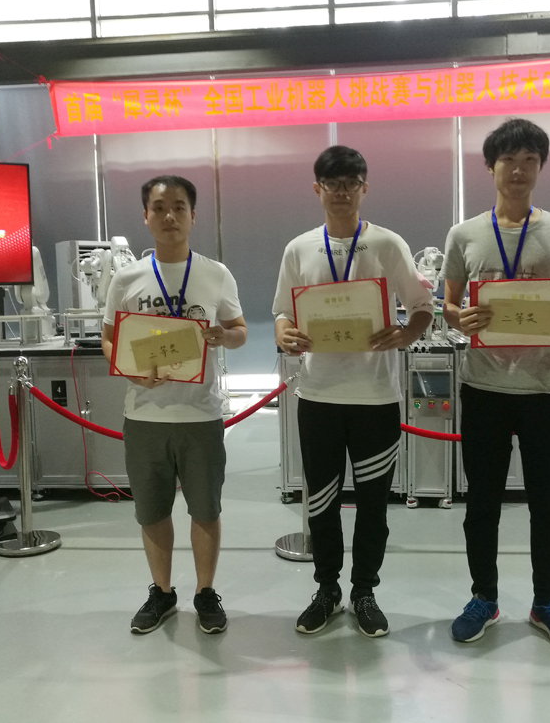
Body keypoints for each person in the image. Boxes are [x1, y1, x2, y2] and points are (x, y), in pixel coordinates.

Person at [440, 118, 550, 651]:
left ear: (540, 166)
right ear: (490, 166)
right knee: (481, 502)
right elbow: (449, 303)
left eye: (530, 159)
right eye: (509, 159)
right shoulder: (464, 235)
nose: (519, 169)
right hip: (483, 387)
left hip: (545, 388)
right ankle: (484, 597)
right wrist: (459, 318)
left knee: (548, 503)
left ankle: (546, 601)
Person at [273, 146, 433, 638]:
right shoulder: (299, 248)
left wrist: (405, 334)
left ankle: (364, 590)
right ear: (316, 188)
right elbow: (282, 312)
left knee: (372, 506)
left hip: (375, 398)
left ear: (365, 188)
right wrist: (284, 334)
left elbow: (423, 307)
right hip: (318, 397)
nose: (341, 192)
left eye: (351, 183)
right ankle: (327, 589)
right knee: (320, 504)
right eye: (332, 183)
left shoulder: (387, 244)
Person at [102, 176, 247, 635]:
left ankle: (205, 592)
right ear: (145, 216)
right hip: (144, 415)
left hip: (200, 413)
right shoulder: (126, 278)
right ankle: (162, 593)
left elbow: (240, 330)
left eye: (179, 207)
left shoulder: (215, 273)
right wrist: (130, 370)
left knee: (205, 509)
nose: (170, 216)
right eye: (160, 207)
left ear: (193, 216)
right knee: (152, 511)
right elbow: (108, 339)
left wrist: (224, 336)